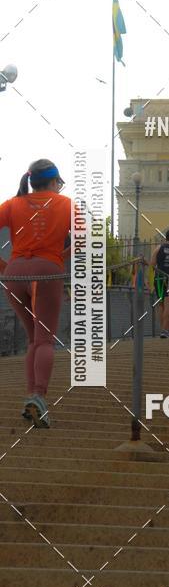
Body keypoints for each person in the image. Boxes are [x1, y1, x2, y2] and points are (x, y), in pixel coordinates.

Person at [0, 159, 71, 427]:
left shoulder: (13, 203)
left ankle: (31, 396)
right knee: (44, 340)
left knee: (33, 338)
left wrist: (7, 266)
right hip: (47, 271)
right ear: (54, 181)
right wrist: (59, 258)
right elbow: (85, 238)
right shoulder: (65, 204)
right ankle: (39, 396)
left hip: (14, 274)